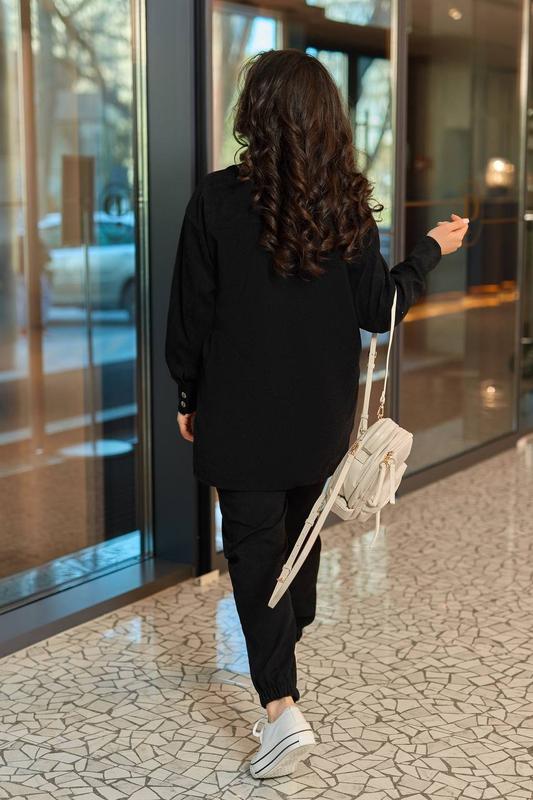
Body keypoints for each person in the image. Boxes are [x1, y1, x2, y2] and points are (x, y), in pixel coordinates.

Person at [165, 48, 468, 780]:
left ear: (254, 113)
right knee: (297, 544)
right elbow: (379, 308)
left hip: (239, 413)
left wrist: (187, 395)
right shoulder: (344, 208)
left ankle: (279, 707)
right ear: (327, 118)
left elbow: (191, 314)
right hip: (319, 418)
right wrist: (428, 251)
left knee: (254, 551)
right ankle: (282, 655)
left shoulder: (216, 199)